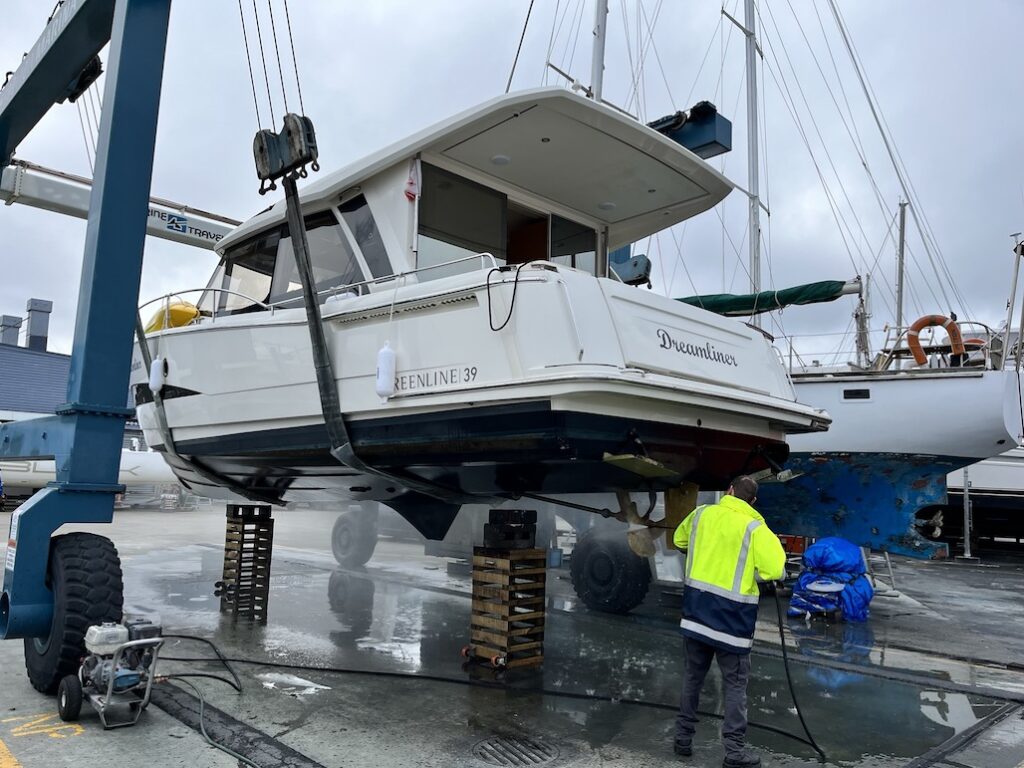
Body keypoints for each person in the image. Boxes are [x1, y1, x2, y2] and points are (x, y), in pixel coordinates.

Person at [672, 475, 786, 767]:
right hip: (732, 625)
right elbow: (775, 570)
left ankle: (682, 739)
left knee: (692, 678)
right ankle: (734, 753)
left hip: (696, 616)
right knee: (734, 687)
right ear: (753, 501)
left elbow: (678, 540)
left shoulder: (701, 514)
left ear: (729, 491)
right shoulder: (756, 529)